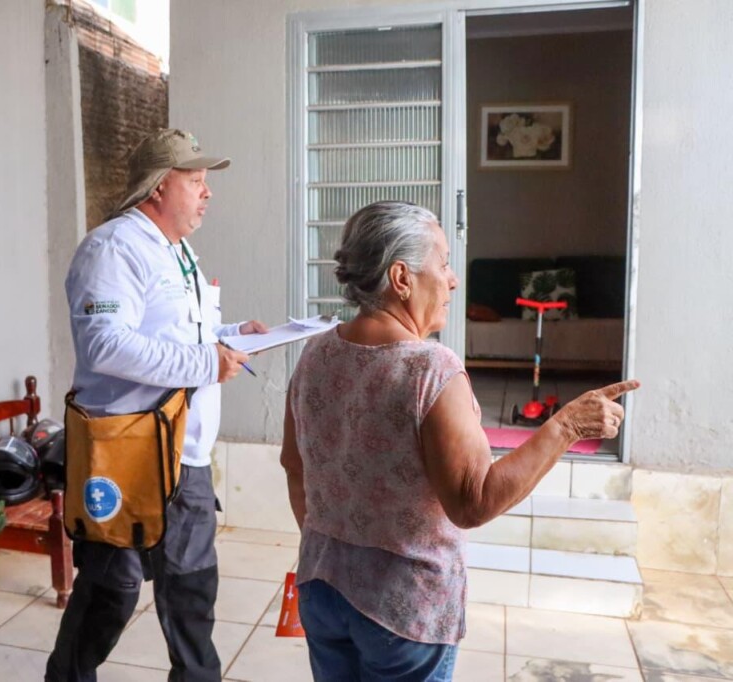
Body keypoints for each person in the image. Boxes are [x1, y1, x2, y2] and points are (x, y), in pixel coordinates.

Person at [279, 200, 639, 681]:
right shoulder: (430, 370)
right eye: (443, 263)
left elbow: (292, 464)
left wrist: (333, 543)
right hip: (402, 610)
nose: (452, 279)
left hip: (321, 587)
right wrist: (565, 426)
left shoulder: (316, 352)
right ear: (402, 278)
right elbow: (473, 503)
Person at [47, 128, 267, 682]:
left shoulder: (179, 251)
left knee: (192, 591)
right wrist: (205, 364)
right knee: (112, 590)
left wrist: (234, 334)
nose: (206, 194)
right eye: (195, 182)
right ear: (158, 187)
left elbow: (186, 330)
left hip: (185, 453)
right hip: (124, 454)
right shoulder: (112, 248)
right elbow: (106, 344)